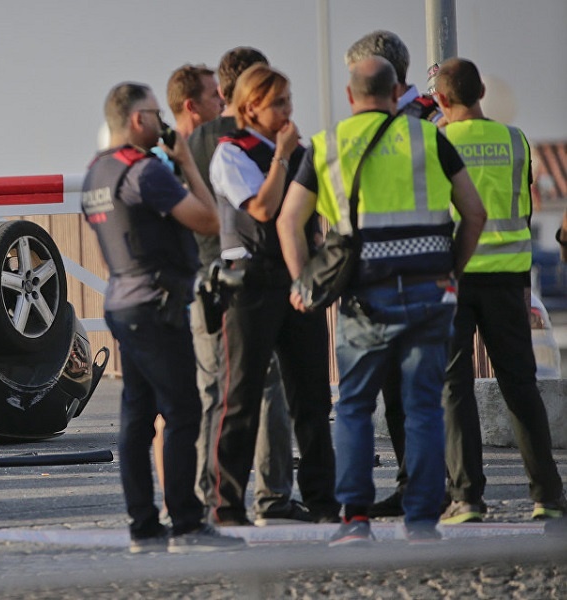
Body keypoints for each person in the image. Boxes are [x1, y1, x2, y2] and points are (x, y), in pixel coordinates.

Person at [277, 55, 487, 545]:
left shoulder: (328, 146)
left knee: (353, 406)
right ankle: (421, 522)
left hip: (363, 300)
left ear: (350, 97)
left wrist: (300, 283)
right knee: (423, 409)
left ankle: (354, 520)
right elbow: (473, 213)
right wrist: (451, 272)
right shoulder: (429, 137)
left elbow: (289, 220)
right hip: (430, 293)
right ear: (397, 94)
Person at [81, 82, 245, 553]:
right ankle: (188, 525)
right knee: (182, 411)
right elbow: (210, 219)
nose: (162, 123)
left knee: (137, 415)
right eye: (155, 114)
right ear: (137, 120)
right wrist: (188, 163)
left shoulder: (96, 172)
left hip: (122, 302)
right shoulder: (145, 171)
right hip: (156, 304)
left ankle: (144, 526)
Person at [433, 58, 567, 524]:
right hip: (510, 276)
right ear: (480, 92)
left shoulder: (440, 140)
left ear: (443, 100)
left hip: (457, 275)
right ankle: (547, 494)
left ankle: (466, 498)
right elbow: (524, 208)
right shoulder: (516, 139)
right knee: (520, 385)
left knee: (456, 386)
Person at [206, 63, 339, 527]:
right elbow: (261, 209)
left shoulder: (303, 150)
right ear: (250, 108)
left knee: (312, 398)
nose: (288, 110)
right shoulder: (231, 152)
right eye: (277, 102)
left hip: (296, 278)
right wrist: (283, 156)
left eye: (288, 100)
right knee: (241, 396)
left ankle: (324, 501)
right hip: (250, 283)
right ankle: (227, 504)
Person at [186, 47, 308, 525]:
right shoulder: (250, 144)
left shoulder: (194, 142)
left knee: (217, 395)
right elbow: (272, 211)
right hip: (257, 276)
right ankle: (274, 495)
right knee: (271, 394)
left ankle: (209, 496)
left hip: (208, 280)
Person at [343, 29, 441, 519]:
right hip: (418, 277)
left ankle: (436, 493)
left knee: (414, 398)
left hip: (417, 280)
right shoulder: (425, 120)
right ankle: (416, 492)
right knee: (404, 400)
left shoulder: (428, 121)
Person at [152, 63, 224, 509]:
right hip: (181, 291)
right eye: (216, 96)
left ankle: (177, 498)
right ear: (193, 106)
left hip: (180, 289)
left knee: (181, 402)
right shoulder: (169, 162)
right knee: (185, 402)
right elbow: (207, 218)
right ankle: (185, 497)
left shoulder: (184, 154)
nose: (223, 103)